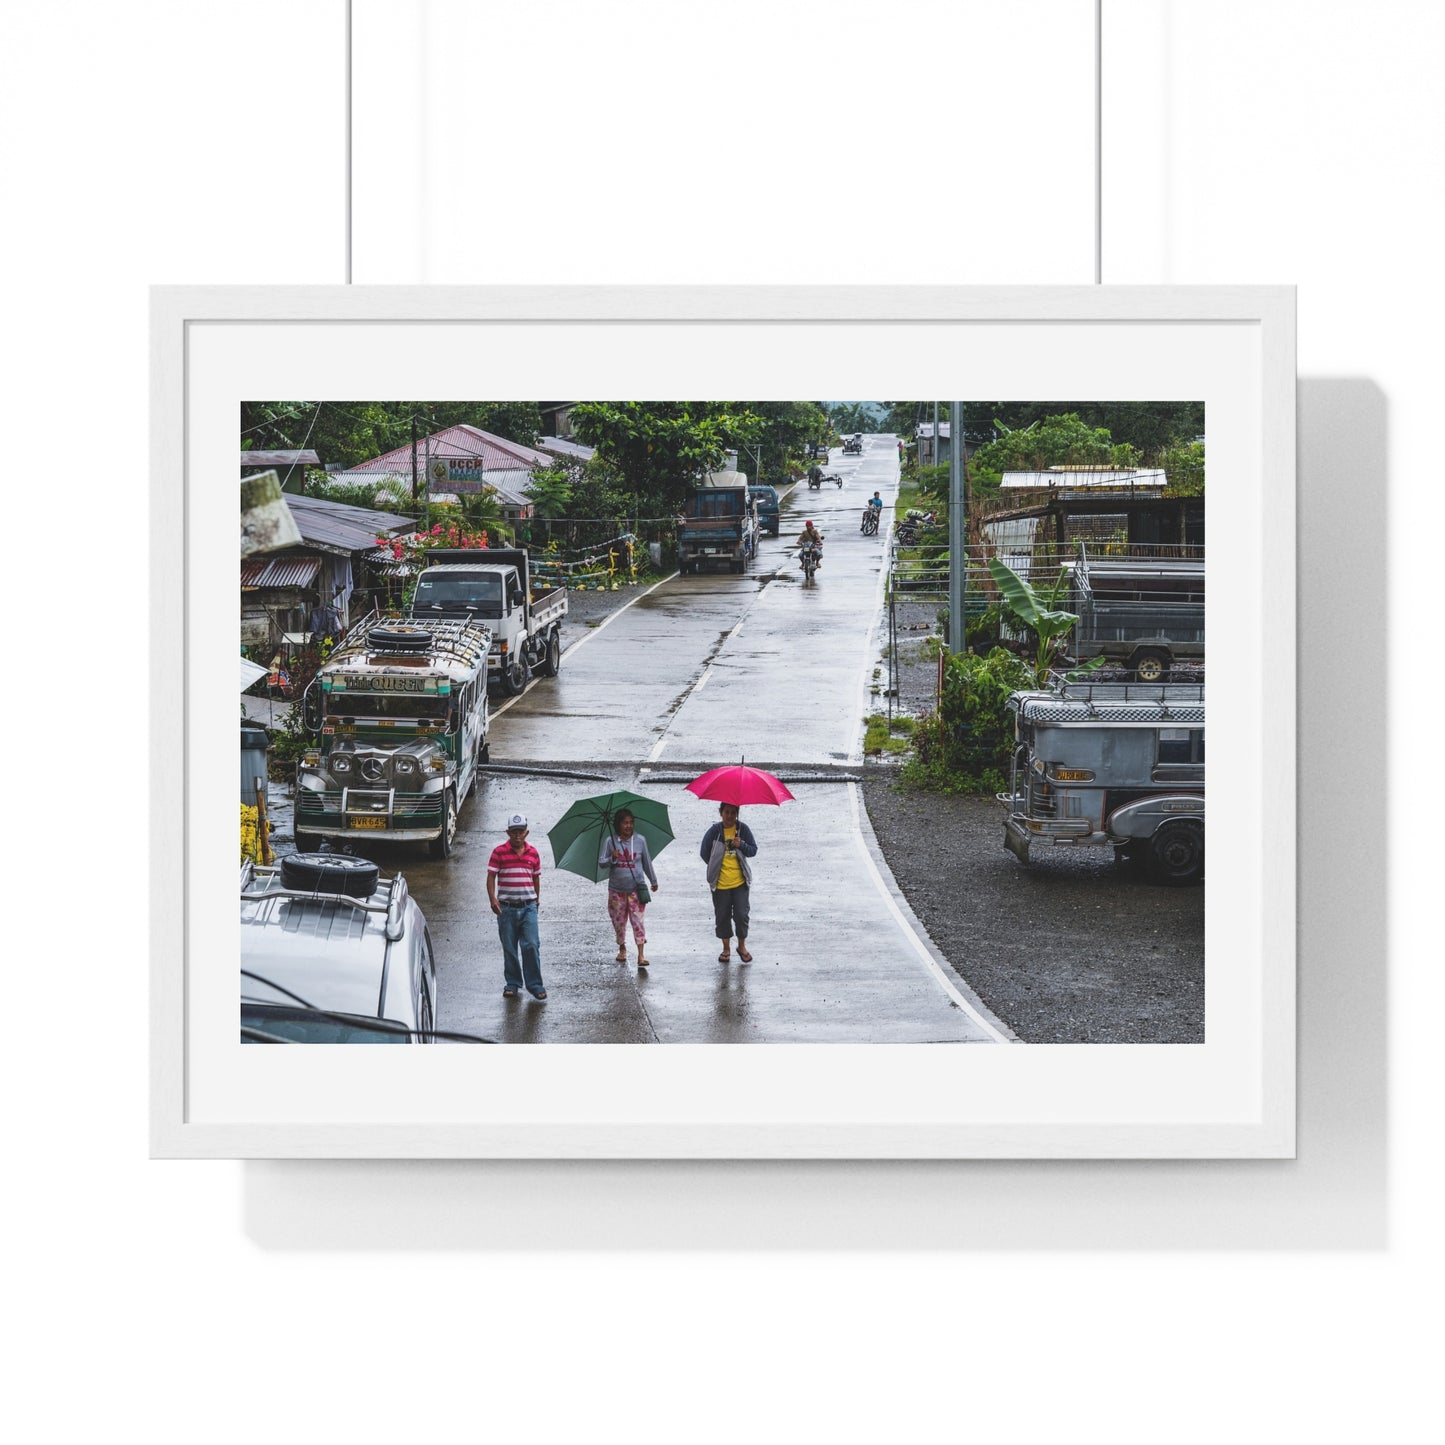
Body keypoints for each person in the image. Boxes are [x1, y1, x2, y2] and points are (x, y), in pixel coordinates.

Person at [486, 812, 546, 1000]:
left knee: (531, 945)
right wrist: (493, 899)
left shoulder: (533, 853)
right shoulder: (499, 852)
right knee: (510, 948)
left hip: (528, 907)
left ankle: (535, 985)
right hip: (506, 908)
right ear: (508, 832)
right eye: (513, 832)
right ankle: (512, 983)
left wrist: (536, 900)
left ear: (526, 833)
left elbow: (536, 878)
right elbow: (491, 876)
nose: (517, 836)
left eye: (520, 832)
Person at [598, 807, 659, 967]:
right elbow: (601, 862)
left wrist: (653, 881)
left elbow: (647, 862)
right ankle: (622, 948)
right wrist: (612, 857)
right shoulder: (610, 841)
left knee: (637, 921)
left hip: (636, 890)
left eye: (631, 822)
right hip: (616, 891)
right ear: (618, 825)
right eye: (625, 823)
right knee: (619, 922)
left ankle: (641, 955)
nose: (629, 826)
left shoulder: (640, 841)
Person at [699, 802, 758, 963]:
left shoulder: (742, 829)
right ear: (721, 813)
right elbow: (704, 853)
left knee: (742, 915)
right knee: (722, 917)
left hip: (740, 883)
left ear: (737, 813)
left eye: (733, 812)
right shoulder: (715, 832)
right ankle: (726, 948)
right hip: (720, 885)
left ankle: (741, 946)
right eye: (727, 812)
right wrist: (715, 866)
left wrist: (742, 844)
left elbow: (753, 850)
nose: (730, 816)